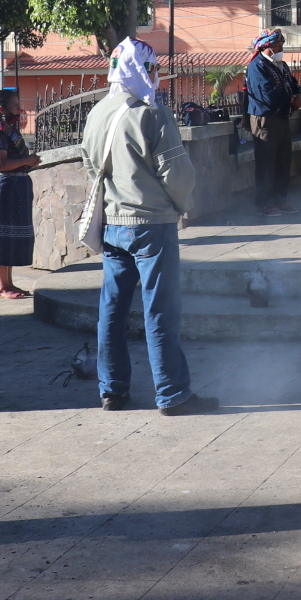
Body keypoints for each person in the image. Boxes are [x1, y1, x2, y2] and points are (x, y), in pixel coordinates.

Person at [82, 38, 214, 416]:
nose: (156, 76)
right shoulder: (153, 114)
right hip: (152, 226)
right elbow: (177, 173)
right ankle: (172, 394)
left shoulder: (96, 114)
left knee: (112, 310)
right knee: (160, 311)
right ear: (141, 70)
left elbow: (91, 167)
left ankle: (112, 390)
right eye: (153, 68)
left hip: (113, 226)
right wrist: (182, 205)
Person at [0, 89, 41, 300]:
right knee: (2, 236)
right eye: (15, 107)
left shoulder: (7, 130)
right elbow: (0, 163)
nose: (19, 110)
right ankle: (1, 286)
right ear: (2, 109)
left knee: (11, 236)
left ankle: (9, 283)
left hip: (14, 186)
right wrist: (26, 161)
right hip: (4, 187)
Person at [245, 29, 301, 215]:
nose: (279, 49)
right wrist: (290, 99)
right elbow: (268, 95)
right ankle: (264, 202)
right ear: (265, 47)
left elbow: (295, 86)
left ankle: (280, 199)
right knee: (266, 162)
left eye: (281, 45)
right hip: (265, 120)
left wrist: (300, 96)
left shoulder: (282, 66)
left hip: (282, 117)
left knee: (283, 160)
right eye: (276, 46)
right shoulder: (257, 66)